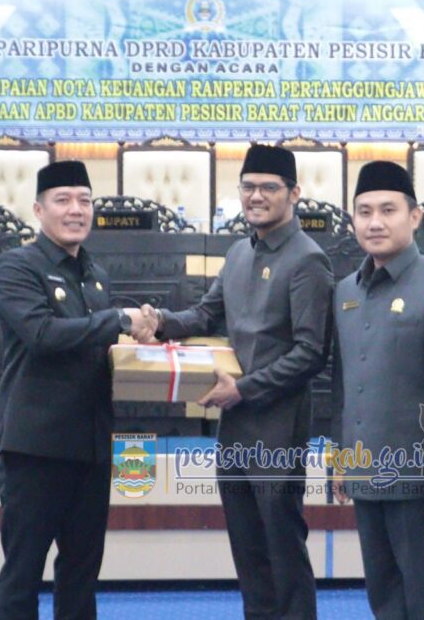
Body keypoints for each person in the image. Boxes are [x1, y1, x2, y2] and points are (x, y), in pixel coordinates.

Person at [139, 144, 333, 620]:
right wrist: (159, 321)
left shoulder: (308, 260)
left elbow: (311, 353)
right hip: (235, 427)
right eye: (248, 187)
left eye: (269, 187)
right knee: (248, 553)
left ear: (294, 194)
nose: (256, 196)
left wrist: (242, 389)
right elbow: (205, 314)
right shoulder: (239, 252)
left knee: (282, 550)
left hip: (278, 427)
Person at [0, 160, 149, 619]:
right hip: (35, 449)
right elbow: (42, 335)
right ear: (39, 210)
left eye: (85, 200)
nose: (76, 210)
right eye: (63, 200)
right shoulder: (16, 267)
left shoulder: (96, 274)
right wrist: (119, 320)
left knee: (81, 574)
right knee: (22, 574)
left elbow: (99, 346)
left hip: (91, 447)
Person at [331, 160, 424, 620]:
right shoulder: (346, 291)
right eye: (364, 212)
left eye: (388, 210)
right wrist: (342, 458)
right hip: (367, 472)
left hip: (421, 482)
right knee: (385, 599)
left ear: (415, 217)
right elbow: (344, 386)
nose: (375, 222)